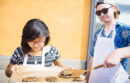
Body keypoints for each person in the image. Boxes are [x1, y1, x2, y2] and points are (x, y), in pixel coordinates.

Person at [5, 19, 71, 78]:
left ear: (46, 38)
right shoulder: (20, 51)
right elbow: (7, 72)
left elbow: (62, 68)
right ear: (25, 38)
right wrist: (11, 70)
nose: (36, 45)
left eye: (40, 41)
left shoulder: (51, 51)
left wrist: (68, 70)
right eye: (31, 40)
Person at [85, 0, 130, 83]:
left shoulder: (125, 29)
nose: (101, 14)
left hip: (116, 79)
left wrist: (119, 52)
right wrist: (87, 79)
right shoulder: (97, 34)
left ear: (114, 9)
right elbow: (93, 57)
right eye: (98, 13)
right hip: (94, 79)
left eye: (105, 11)